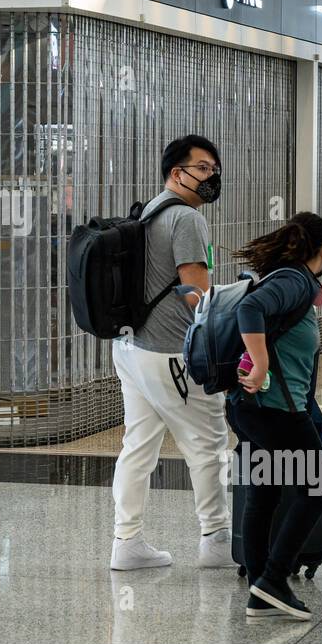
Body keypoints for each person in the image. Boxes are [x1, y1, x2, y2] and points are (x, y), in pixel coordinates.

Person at [109, 134, 235, 571]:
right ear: (176, 173)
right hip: (171, 355)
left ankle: (126, 542)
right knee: (208, 444)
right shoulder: (186, 219)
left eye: (214, 171)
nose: (210, 178)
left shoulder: (147, 211)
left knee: (137, 447)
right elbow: (196, 295)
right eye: (202, 169)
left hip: (131, 349)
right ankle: (216, 539)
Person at [226, 213, 322, 620]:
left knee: (265, 492)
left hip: (254, 408)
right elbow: (250, 309)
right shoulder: (292, 280)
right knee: (318, 490)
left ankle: (260, 593)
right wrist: (259, 362)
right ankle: (272, 580)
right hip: (276, 410)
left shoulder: (284, 277)